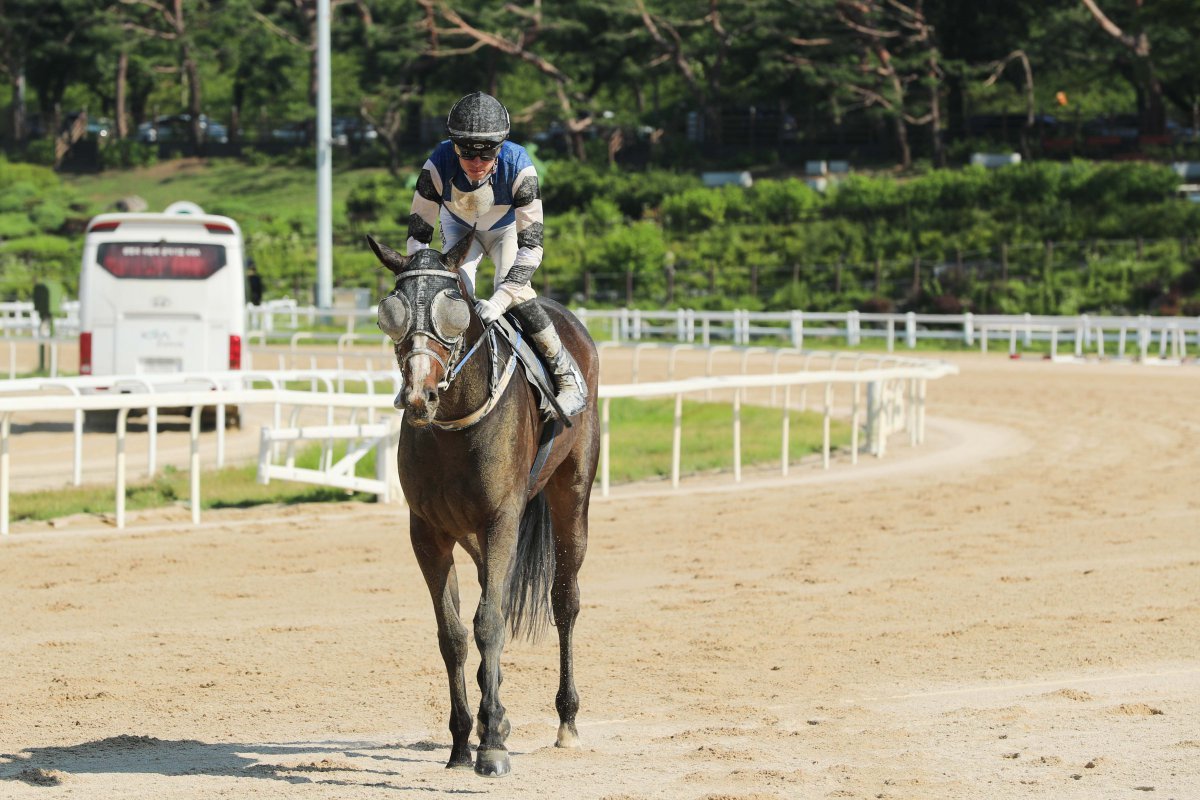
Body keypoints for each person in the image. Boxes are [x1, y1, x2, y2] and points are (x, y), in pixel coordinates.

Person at [406, 91, 587, 417]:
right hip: (460, 228)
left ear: (501, 147)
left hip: (506, 231)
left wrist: (501, 300)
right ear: (453, 146)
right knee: (453, 292)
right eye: (466, 152)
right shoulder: (437, 162)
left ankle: (567, 376)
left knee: (516, 292)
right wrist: (426, 278)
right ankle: (426, 379)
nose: (476, 162)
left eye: (487, 153)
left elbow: (532, 248)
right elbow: (419, 237)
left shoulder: (520, 167)